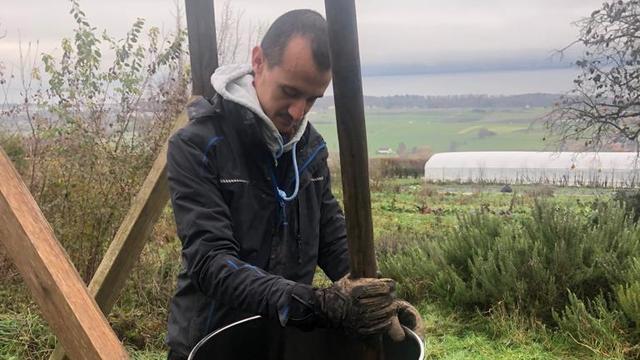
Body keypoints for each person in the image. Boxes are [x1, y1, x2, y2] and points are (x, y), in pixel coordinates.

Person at [165, 9, 422, 359]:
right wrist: (319, 304)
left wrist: (376, 300)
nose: (298, 112)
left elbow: (332, 241)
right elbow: (212, 263)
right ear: (258, 61)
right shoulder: (199, 146)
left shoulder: (310, 149)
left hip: (284, 343)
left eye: (312, 98)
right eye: (290, 91)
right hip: (215, 343)